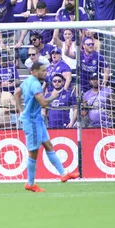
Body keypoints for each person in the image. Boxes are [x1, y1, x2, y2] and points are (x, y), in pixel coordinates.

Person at [14, 62, 80, 193]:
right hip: (31, 122)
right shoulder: (35, 84)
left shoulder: (27, 81)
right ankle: (30, 183)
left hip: (37, 120)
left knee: (48, 145)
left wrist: (21, 110)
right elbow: (43, 102)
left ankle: (63, 173)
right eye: (43, 71)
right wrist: (53, 96)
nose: (45, 73)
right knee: (33, 152)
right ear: (34, 71)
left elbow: (17, 93)